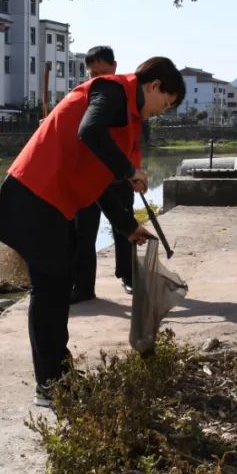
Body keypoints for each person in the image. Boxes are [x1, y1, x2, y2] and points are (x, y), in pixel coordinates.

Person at [0, 57, 185, 406]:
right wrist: (128, 170)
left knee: (57, 286)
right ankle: (49, 386)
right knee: (50, 290)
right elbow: (88, 132)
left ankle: (57, 375)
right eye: (165, 103)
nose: (161, 112)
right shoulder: (111, 91)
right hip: (33, 193)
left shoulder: (127, 117)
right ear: (153, 85)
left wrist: (126, 226)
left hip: (50, 200)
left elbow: (101, 178)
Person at [70, 46, 136, 304]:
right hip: (87, 174)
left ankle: (128, 275)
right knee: (84, 232)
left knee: (124, 225)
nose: (97, 78)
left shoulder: (124, 97)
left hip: (117, 174)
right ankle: (84, 286)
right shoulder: (87, 96)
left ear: (115, 67)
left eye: (103, 71)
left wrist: (132, 172)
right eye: (92, 73)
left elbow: (135, 137)